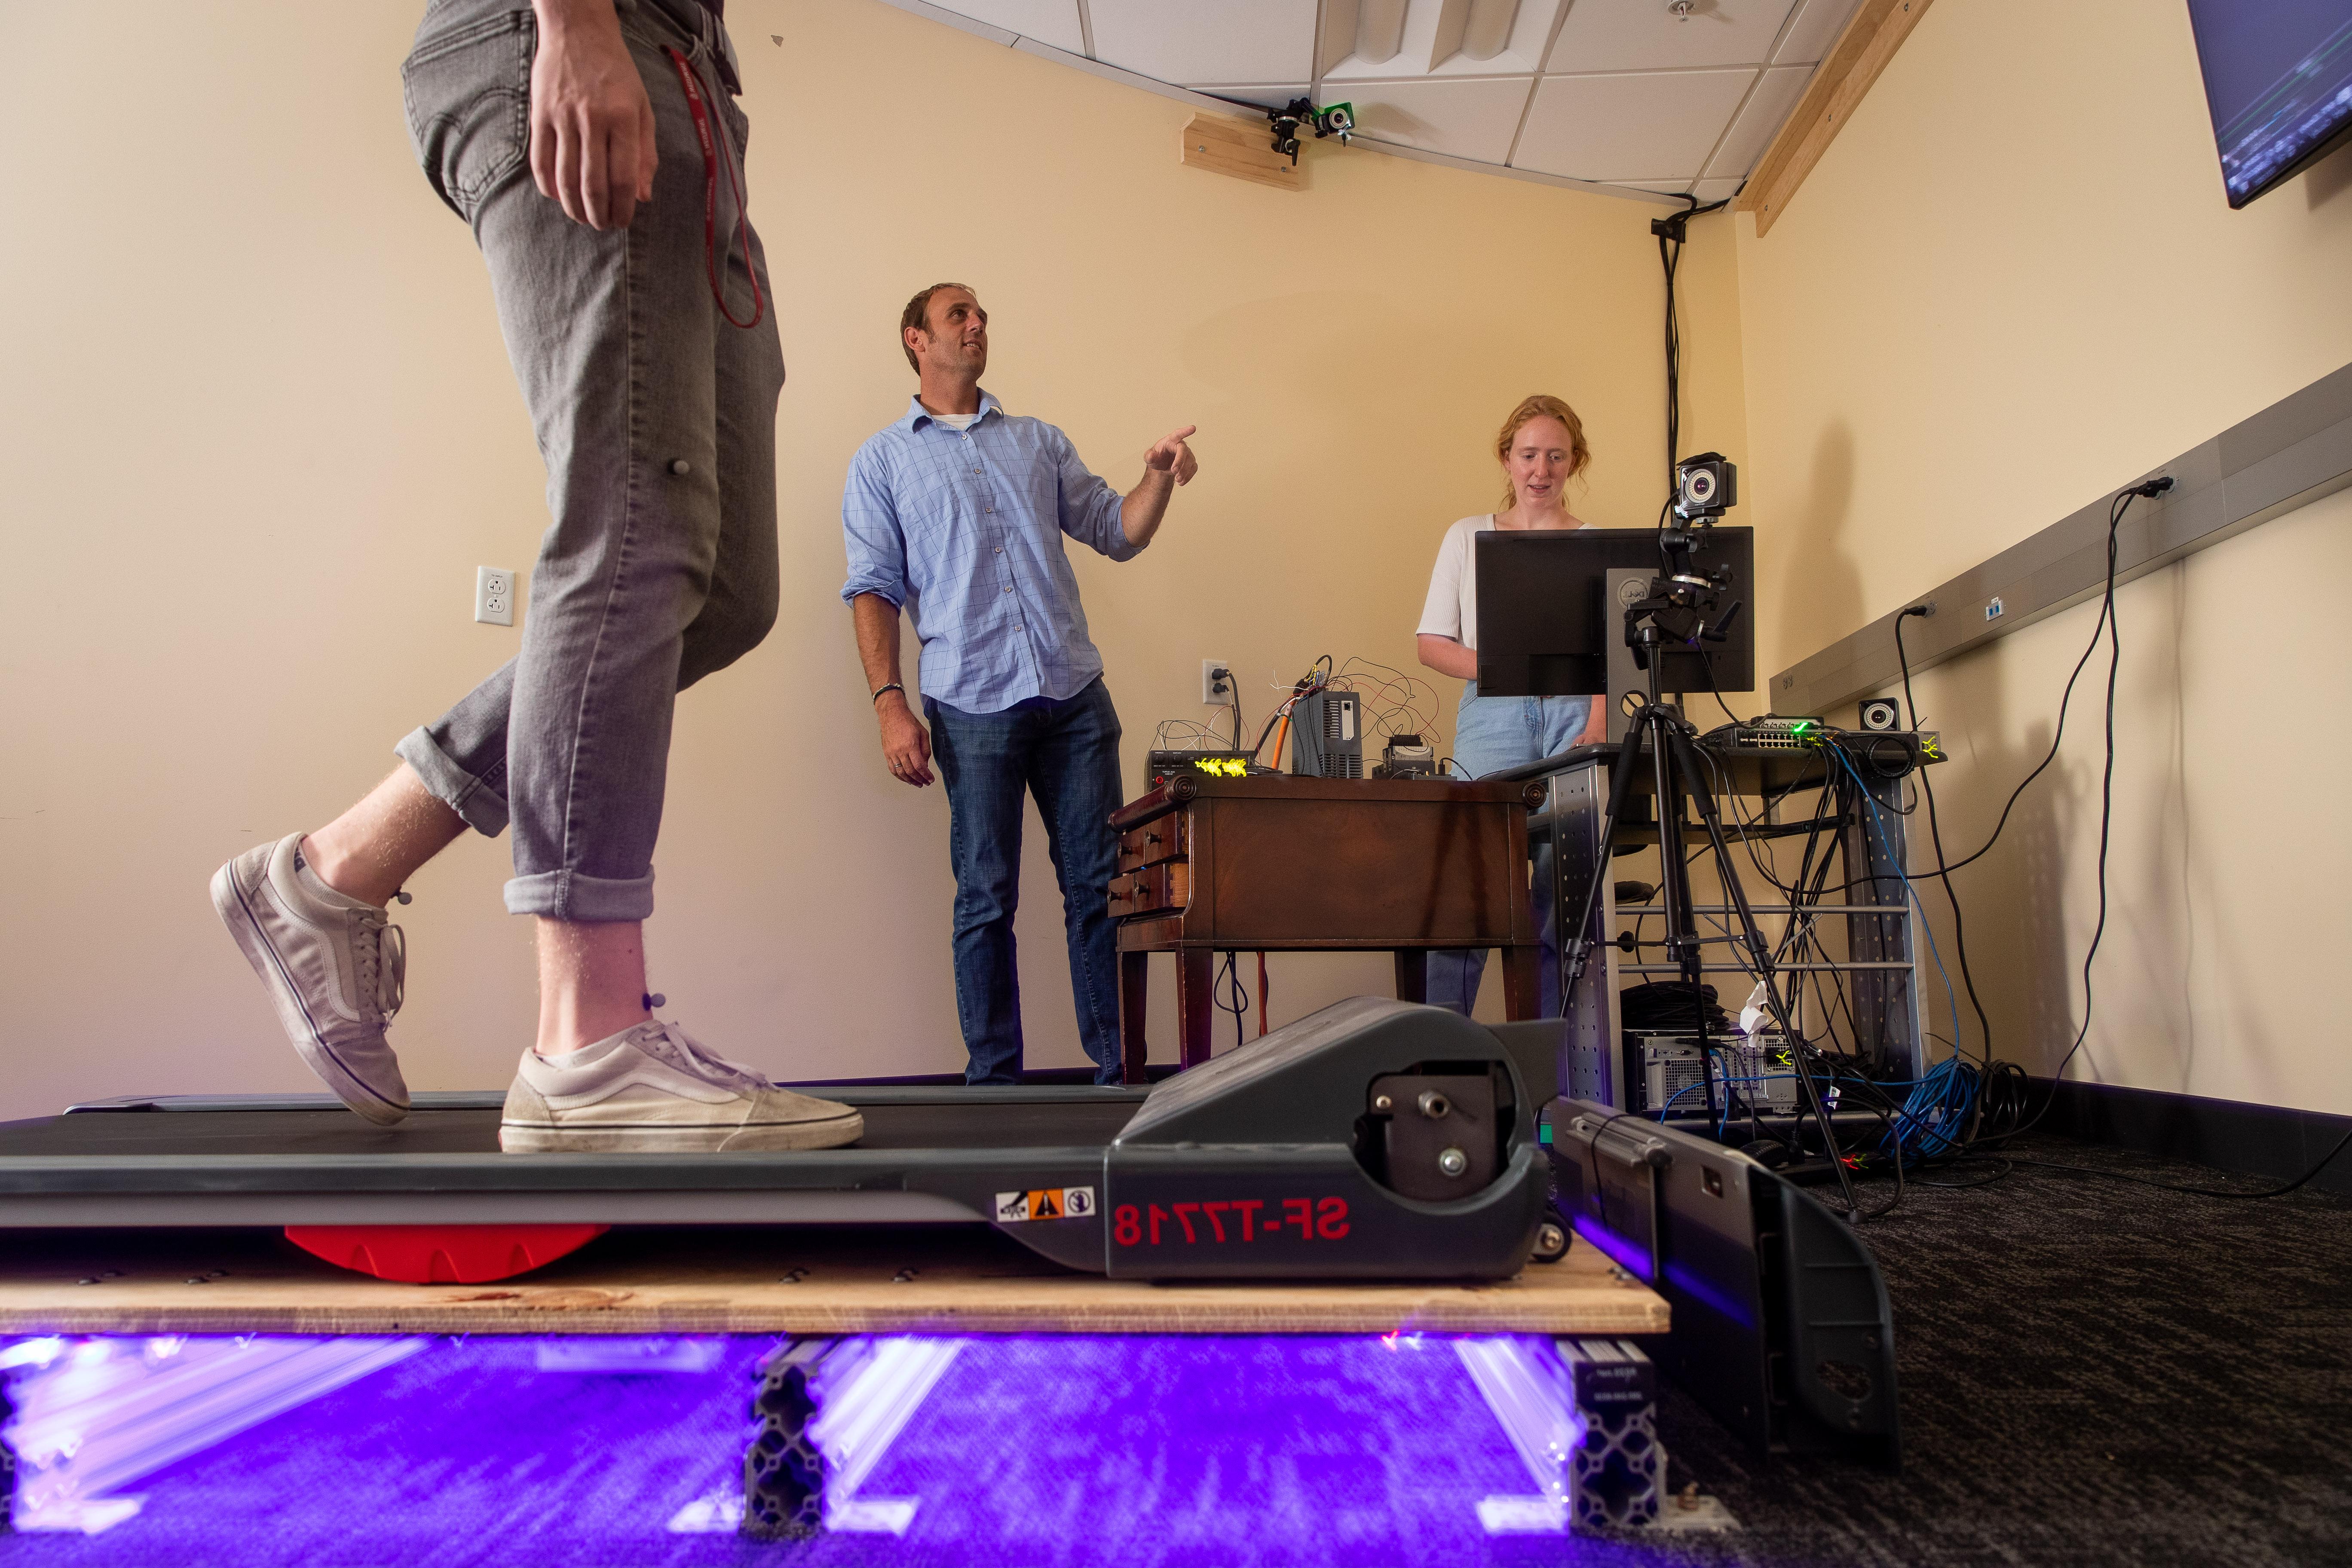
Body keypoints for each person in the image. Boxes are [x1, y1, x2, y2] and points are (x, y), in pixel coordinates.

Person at [210, 0, 864, 1153]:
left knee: (721, 593)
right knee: (633, 524)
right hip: (574, 31)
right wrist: (573, 22)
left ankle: (336, 871)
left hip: (694, 83)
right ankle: (588, 1044)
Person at [842, 284, 1198, 1085]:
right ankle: (993, 1090)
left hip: (1073, 697)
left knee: (1098, 893)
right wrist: (890, 705)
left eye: (981, 317)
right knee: (985, 899)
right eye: (958, 316)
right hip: (970, 704)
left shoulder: (1039, 441)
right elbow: (872, 587)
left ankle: (1117, 1078)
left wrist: (1159, 476)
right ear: (916, 340)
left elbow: (1117, 531)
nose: (977, 326)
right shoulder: (884, 461)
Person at [1415, 394, 1608, 1018]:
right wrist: (1507, 669)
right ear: (1507, 459)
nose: (1541, 470)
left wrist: (1597, 727)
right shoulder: (1466, 535)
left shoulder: (1597, 544)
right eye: (1529, 455)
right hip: (1492, 719)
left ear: (1574, 461)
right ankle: (1446, 1058)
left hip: (1575, 720)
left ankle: (1563, 1072)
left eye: (1556, 456)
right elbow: (1432, 645)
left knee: (1565, 902)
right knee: (1469, 899)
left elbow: (1611, 653)